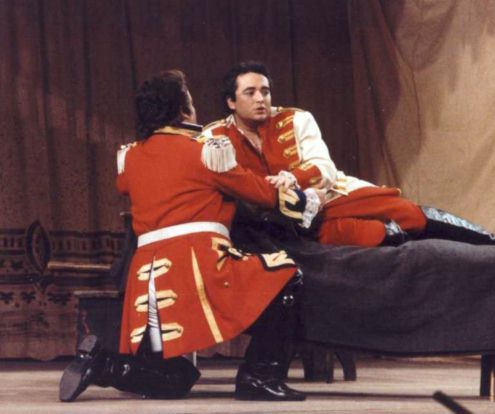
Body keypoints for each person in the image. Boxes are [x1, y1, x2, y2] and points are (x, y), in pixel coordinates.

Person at [58, 69, 320, 402]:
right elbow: (262, 194)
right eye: (191, 103)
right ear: (183, 110)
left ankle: (104, 365)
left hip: (146, 283)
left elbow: (130, 185)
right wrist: (308, 200)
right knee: (287, 275)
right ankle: (259, 377)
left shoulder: (131, 156)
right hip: (198, 266)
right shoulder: (207, 151)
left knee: (175, 379)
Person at [202, 61, 495, 250]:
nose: (261, 99)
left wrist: (294, 178)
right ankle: (394, 236)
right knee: (370, 234)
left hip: (326, 197)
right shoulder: (215, 137)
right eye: (250, 92)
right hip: (280, 219)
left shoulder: (296, 118)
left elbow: (323, 166)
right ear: (231, 101)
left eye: (265, 91)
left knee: (406, 212)